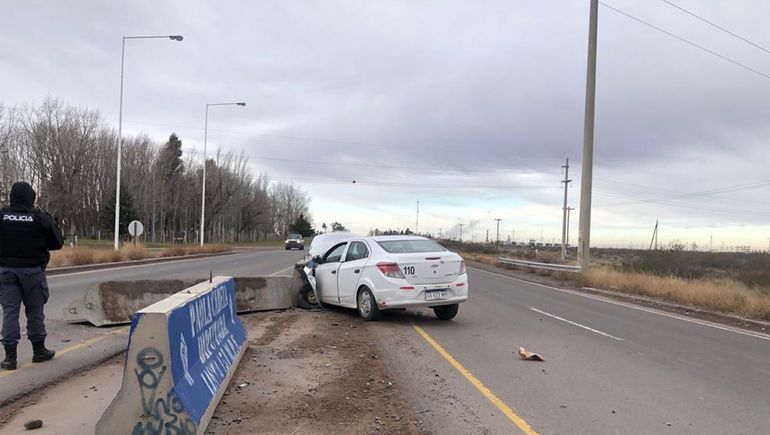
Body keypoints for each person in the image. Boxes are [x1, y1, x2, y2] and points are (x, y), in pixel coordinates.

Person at [0, 182, 63, 370]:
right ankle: (39, 350)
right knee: (35, 310)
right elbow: (57, 242)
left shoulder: (2, 217)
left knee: (10, 312)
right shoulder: (40, 218)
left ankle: (10, 357)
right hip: (33, 271)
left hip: (6, 271)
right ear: (31, 197)